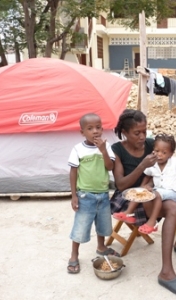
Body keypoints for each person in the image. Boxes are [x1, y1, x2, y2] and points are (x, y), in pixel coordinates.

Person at [110, 109, 176, 297]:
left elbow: (170, 161)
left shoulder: (151, 144)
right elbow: (120, 184)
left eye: (144, 131)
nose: (143, 137)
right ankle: (166, 273)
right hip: (132, 196)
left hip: (157, 190)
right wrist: (142, 166)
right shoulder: (118, 150)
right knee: (174, 207)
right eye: (137, 133)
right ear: (125, 133)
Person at [113, 133, 176, 236]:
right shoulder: (153, 163)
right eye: (157, 151)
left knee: (156, 194)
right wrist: (142, 187)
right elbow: (147, 176)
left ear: (171, 154)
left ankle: (152, 222)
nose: (159, 155)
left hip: (173, 192)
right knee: (140, 191)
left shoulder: (175, 162)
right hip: (158, 190)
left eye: (164, 152)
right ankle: (127, 213)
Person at [67, 113, 120, 274]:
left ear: (102, 129)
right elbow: (73, 172)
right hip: (85, 196)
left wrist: (103, 150)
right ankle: (74, 254)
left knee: (103, 225)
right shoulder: (78, 149)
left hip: (103, 195)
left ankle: (101, 246)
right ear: (82, 132)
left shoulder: (107, 146)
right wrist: (74, 195)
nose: (95, 131)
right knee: (81, 226)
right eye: (90, 129)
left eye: (98, 127)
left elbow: (110, 167)